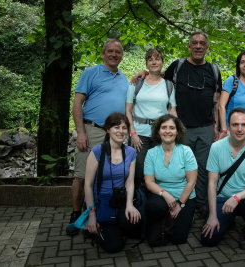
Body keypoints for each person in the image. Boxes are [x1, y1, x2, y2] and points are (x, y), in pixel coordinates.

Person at [133, 32, 222, 217]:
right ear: (189, 46)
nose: (198, 46)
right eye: (194, 43)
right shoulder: (178, 66)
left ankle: (199, 204)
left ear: (207, 47)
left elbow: (216, 100)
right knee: (179, 167)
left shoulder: (214, 70)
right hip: (181, 128)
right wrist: (144, 73)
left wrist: (217, 126)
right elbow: (157, 78)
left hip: (206, 127)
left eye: (202, 43)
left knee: (203, 168)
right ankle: (172, 201)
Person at [67, 39, 130, 236]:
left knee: (110, 174)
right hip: (92, 130)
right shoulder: (90, 73)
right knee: (82, 174)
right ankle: (77, 213)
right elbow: (77, 104)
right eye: (110, 51)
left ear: (121, 56)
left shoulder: (123, 78)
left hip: (116, 133)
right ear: (103, 54)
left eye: (117, 52)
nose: (114, 54)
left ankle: (101, 212)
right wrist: (81, 132)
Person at [201, 108, 245, 250]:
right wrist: (213, 216)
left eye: (244, 125)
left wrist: (237, 197)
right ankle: (227, 218)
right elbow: (212, 183)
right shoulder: (216, 147)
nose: (239, 129)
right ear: (228, 125)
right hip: (223, 198)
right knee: (208, 240)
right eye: (235, 124)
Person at [83, 112, 143, 253]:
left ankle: (117, 226)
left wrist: (130, 205)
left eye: (124, 128)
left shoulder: (130, 152)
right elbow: (88, 185)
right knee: (114, 246)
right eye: (116, 127)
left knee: (136, 223)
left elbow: (129, 182)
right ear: (108, 129)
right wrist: (92, 215)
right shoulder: (97, 151)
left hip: (121, 199)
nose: (120, 131)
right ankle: (97, 226)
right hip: (102, 201)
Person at [126, 48, 177, 190]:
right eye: (150, 59)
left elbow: (172, 110)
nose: (154, 62)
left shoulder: (168, 85)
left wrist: (172, 132)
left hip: (160, 135)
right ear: (146, 63)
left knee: (158, 172)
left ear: (162, 62)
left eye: (157, 59)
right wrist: (133, 134)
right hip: (140, 135)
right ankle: (135, 202)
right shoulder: (136, 84)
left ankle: (156, 204)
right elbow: (128, 111)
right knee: (137, 171)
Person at [144, 114, 197, 246]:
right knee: (155, 208)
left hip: (184, 197)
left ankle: (181, 216)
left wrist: (179, 204)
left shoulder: (186, 151)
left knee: (179, 239)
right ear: (158, 131)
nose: (167, 131)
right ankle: (163, 218)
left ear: (177, 131)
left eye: (172, 128)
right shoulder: (151, 153)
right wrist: (165, 194)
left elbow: (191, 182)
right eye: (164, 127)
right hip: (161, 197)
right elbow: (149, 182)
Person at [218, 51, 245, 140]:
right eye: (242, 62)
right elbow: (221, 106)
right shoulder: (232, 81)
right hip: (232, 129)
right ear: (238, 65)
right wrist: (224, 129)